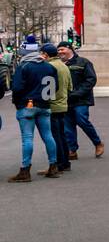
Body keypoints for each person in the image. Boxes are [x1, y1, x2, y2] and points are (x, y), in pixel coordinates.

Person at [7, 45, 59, 181]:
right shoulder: (50, 67)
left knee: (27, 138)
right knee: (48, 136)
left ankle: (25, 170)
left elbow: (17, 88)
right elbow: (55, 87)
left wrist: (17, 103)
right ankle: (53, 166)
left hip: (27, 105)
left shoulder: (24, 67)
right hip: (45, 104)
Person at [58, 41, 103, 159]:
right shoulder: (59, 64)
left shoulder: (83, 62)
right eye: (58, 50)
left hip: (81, 99)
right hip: (66, 100)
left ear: (70, 49)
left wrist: (77, 93)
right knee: (68, 125)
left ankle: (97, 143)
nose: (60, 52)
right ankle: (72, 150)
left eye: (62, 49)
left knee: (82, 120)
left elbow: (90, 80)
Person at [43, 43, 73, 172]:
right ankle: (65, 162)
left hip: (53, 104)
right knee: (62, 134)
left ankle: (59, 163)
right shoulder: (64, 66)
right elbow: (70, 87)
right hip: (63, 104)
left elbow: (47, 91)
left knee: (55, 136)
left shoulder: (49, 66)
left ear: (46, 54)